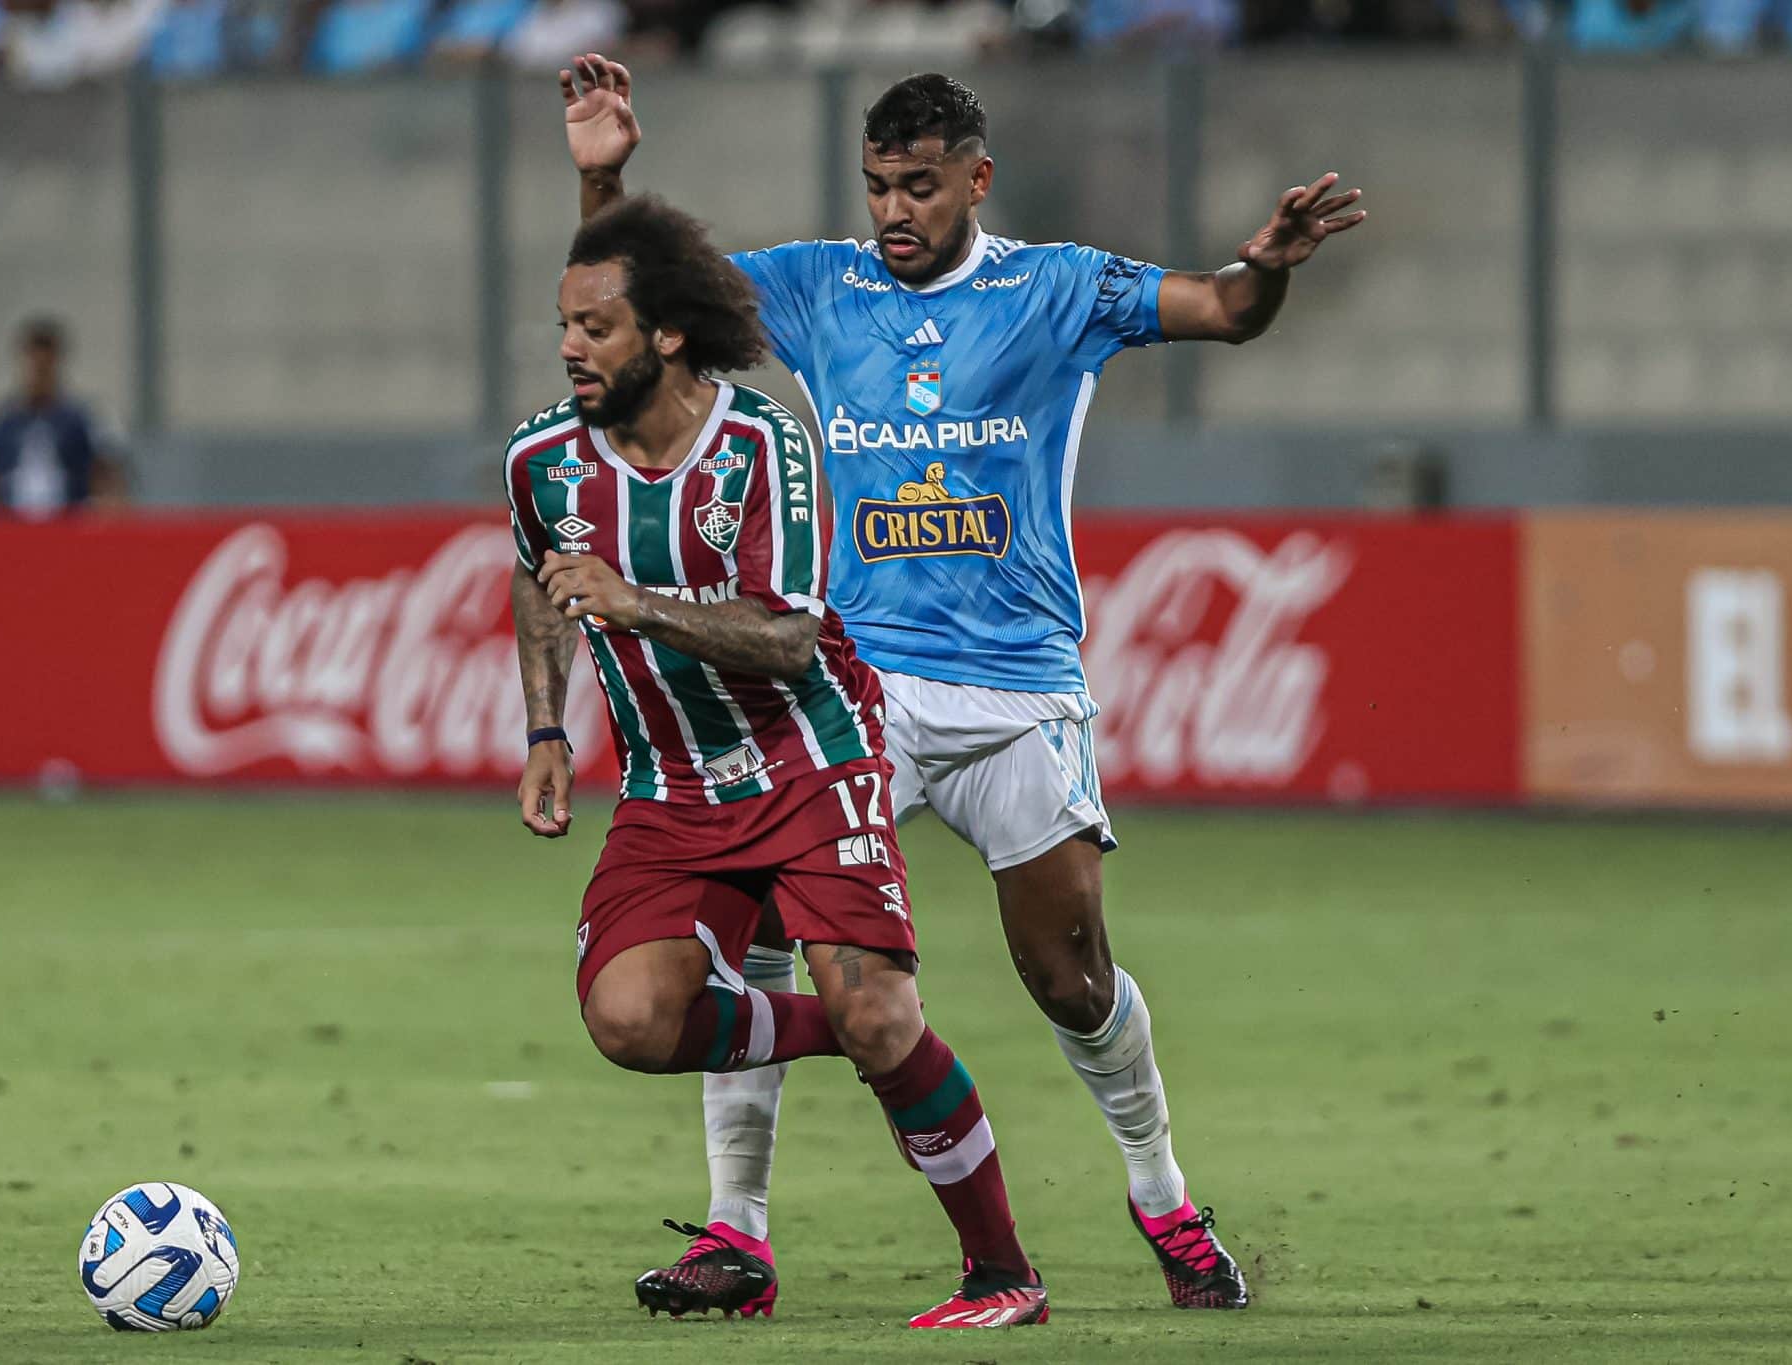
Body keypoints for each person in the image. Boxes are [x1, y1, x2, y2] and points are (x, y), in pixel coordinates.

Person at [560, 56, 1369, 1315]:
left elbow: (1220, 308)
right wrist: (603, 171)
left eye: (920, 188)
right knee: (765, 940)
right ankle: (737, 1232)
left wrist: (1261, 265)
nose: (894, 210)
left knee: (1070, 977)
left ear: (975, 181)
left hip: (1012, 697)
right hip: (852, 696)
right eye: (879, 185)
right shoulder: (818, 286)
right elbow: (634, 305)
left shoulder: (1056, 288)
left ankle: (1161, 1199)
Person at [507, 193, 1049, 1330]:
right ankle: (861, 1036)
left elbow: (790, 635)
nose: (568, 348)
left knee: (873, 1007)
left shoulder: (760, 442)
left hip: (809, 761)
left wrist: (635, 605)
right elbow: (537, 577)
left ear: (663, 335)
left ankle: (1003, 1277)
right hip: (669, 785)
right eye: (562, 326)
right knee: (629, 1019)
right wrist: (547, 730)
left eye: (594, 328)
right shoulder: (542, 460)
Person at [0, 316, 127, 519]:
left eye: (45, 366)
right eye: (34, 365)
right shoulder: (1, 421)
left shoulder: (84, 418)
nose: (39, 374)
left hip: (68, 527)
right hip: (11, 528)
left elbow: (108, 475)